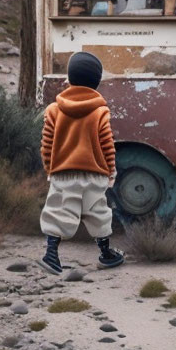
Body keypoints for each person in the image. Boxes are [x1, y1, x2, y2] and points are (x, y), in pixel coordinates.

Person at [37, 51, 125, 274]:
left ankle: (51, 255)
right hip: (94, 173)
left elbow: (47, 144)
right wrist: (111, 171)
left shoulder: (54, 110)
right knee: (97, 212)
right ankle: (106, 254)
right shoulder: (100, 112)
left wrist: (50, 168)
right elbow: (107, 145)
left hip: (63, 172)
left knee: (58, 211)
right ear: (96, 82)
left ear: (69, 80)